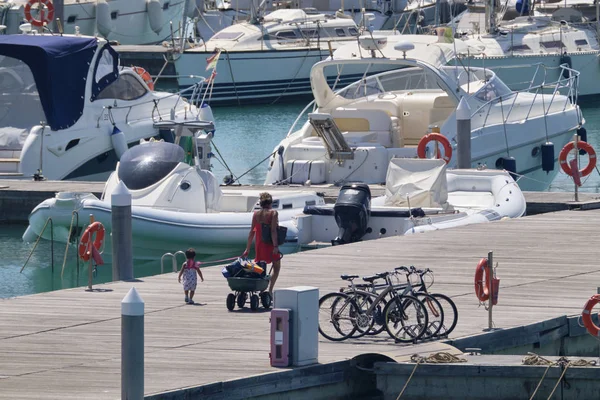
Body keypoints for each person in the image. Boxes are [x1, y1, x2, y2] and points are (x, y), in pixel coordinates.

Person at [242, 192, 281, 295]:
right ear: (270, 202)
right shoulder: (273, 213)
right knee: (276, 267)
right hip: (270, 244)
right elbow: (273, 230)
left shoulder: (256, 214)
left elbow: (252, 232)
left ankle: (262, 287)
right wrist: (276, 246)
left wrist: (248, 248)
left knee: (261, 268)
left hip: (260, 245)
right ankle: (269, 290)